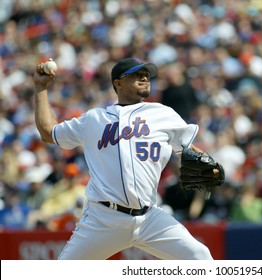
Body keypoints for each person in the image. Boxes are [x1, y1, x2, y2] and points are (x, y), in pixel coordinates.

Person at [33, 57, 215, 260]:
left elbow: (189, 152)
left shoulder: (164, 114)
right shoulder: (94, 119)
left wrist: (207, 164)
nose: (144, 77)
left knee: (200, 256)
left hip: (149, 218)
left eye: (146, 74)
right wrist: (41, 88)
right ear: (118, 83)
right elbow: (49, 133)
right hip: (103, 219)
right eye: (137, 74)